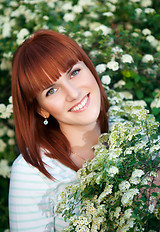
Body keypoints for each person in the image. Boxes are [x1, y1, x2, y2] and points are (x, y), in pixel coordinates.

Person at [9, 29, 109, 231]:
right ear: (41, 109)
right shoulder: (32, 173)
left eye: (74, 72)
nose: (73, 93)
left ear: (89, 68)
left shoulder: (131, 129)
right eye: (51, 90)